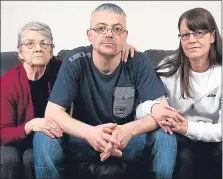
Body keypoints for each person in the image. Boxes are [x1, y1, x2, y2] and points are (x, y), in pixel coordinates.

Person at [33, 3, 181, 179]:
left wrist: (128, 131)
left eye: (117, 29)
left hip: (126, 140)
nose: (109, 34)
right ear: (89, 34)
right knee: (43, 136)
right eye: (101, 28)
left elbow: (162, 112)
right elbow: (52, 112)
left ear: (125, 36)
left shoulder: (138, 61)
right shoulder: (75, 60)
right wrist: (90, 133)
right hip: (83, 139)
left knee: (166, 137)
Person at [136, 7, 222, 179]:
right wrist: (154, 109)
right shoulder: (168, 67)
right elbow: (139, 109)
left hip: (213, 139)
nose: (191, 40)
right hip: (177, 138)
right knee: (183, 156)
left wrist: (187, 127)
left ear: (212, 37)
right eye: (185, 35)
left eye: (199, 33)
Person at [0, 21, 64, 179]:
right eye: (30, 43)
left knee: (31, 158)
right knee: (10, 159)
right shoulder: (8, 82)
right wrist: (32, 125)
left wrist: (123, 48)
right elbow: (4, 133)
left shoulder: (63, 69)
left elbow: (88, 58)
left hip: (51, 139)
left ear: (51, 51)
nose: (38, 48)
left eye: (44, 43)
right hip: (19, 138)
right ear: (20, 53)